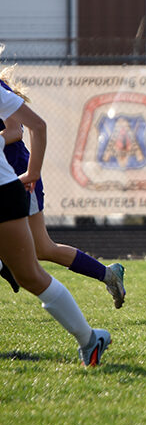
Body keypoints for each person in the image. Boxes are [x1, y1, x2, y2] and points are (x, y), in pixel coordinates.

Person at [0, 82, 111, 367]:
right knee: (37, 257)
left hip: (4, 188)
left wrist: (33, 172)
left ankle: (90, 339)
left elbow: (32, 126)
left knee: (33, 271)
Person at [0, 75, 126, 307]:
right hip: (5, 176)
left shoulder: (0, 88)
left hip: (17, 174)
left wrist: (31, 173)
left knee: (43, 248)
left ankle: (108, 275)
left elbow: (15, 131)